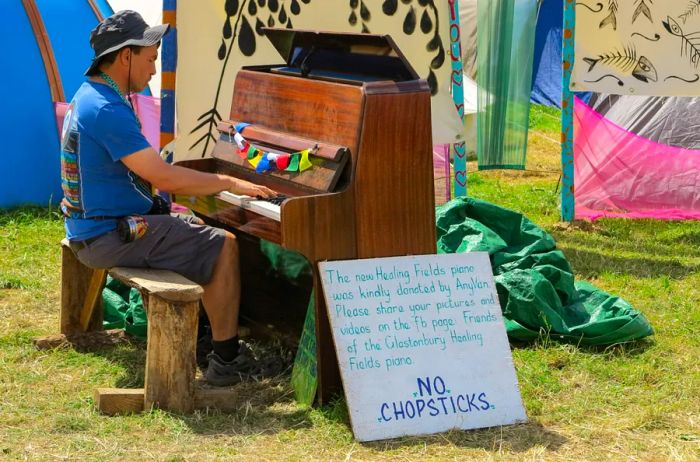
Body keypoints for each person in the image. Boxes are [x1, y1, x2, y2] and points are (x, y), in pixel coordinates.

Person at [60, 10, 274, 386]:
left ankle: (206, 338)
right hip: (105, 237)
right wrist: (228, 182)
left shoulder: (90, 94)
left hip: (91, 228)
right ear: (126, 56)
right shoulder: (107, 109)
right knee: (223, 245)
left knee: (196, 227)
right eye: (150, 60)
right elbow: (161, 175)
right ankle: (226, 360)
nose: (154, 72)